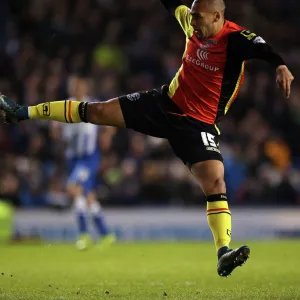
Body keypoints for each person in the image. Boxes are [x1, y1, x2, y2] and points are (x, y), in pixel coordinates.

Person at [0, 0, 294, 276]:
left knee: (216, 181)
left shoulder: (236, 39)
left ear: (218, 17)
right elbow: (171, 3)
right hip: (163, 104)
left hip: (197, 124)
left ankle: (223, 253)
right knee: (98, 111)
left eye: (199, 18)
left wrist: (280, 65)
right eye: (191, 17)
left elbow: (264, 49)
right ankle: (20, 112)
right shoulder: (190, 22)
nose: (193, 22)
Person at [55, 74, 116, 250]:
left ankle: (83, 235)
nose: (75, 89)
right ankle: (106, 234)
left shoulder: (92, 106)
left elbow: (110, 123)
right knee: (88, 196)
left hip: (88, 158)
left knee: (74, 188)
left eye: (78, 86)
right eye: (73, 87)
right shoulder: (64, 106)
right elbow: (57, 129)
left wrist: (107, 136)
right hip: (72, 158)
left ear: (85, 89)